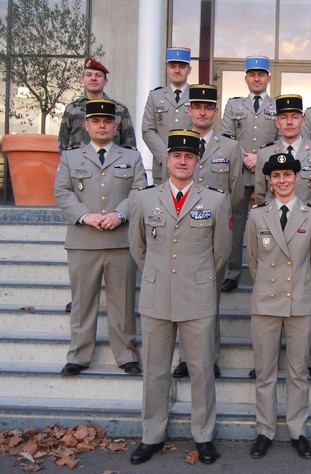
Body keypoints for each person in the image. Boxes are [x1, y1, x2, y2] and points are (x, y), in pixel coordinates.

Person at [128, 129, 232, 466]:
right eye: (177, 156)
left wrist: (197, 278)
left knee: (201, 370)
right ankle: (152, 435)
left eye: (189, 156)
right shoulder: (145, 199)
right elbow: (138, 248)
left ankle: (203, 436)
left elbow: (221, 253)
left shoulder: (215, 199)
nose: (182, 161)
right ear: (167, 159)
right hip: (158, 296)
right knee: (156, 371)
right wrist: (158, 275)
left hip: (197, 295)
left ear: (197, 161)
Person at [54, 99, 146, 377]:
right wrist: (85, 216)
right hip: (84, 240)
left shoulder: (132, 157)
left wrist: (119, 214)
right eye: (96, 121)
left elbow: (139, 191)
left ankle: (126, 353)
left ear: (116, 126)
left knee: (123, 300)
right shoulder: (71, 157)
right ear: (87, 125)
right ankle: (79, 354)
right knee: (82, 301)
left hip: (120, 240)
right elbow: (62, 192)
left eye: (108, 122)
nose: (102, 126)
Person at [246, 152, 311, 460]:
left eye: (288, 175)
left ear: (297, 178)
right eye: (276, 176)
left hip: (300, 301)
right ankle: (265, 430)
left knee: (298, 372)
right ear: (269, 179)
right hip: (266, 301)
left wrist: (300, 286)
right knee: (265, 372)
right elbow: (254, 261)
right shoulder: (257, 215)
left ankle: (297, 431)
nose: (282, 180)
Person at [255, 95, 311, 380]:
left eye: (295, 116)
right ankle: (266, 358)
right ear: (277, 122)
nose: (289, 121)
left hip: (307, 235)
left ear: (303, 120)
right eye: (284, 117)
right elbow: (262, 195)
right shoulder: (265, 153)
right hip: (273, 234)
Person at [171, 83, 244, 379]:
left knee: (208, 299)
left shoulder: (229, 147)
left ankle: (208, 357)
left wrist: (221, 216)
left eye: (208, 107)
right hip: (180, 232)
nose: (202, 112)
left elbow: (236, 191)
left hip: (213, 234)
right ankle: (185, 358)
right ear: (188, 110)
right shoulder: (176, 144)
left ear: (215, 112)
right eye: (197, 107)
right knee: (181, 298)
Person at [220, 55, 279, 293]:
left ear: (268, 78)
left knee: (270, 223)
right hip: (240, 173)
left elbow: (282, 138)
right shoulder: (234, 105)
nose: (257, 78)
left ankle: (268, 271)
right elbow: (226, 135)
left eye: (261, 74)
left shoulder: (278, 106)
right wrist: (245, 157)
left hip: (269, 175)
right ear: (245, 78)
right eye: (252, 75)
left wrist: (260, 158)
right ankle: (232, 273)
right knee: (235, 223)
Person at [58, 58, 136, 152]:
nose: (93, 78)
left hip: (110, 164)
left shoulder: (119, 110)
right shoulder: (71, 109)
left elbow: (129, 146)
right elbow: (63, 144)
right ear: (83, 79)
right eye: (88, 75)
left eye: (98, 75)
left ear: (105, 81)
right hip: (78, 165)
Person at [142, 47, 194, 183]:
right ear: (167, 68)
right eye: (173, 66)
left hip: (190, 166)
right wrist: (166, 156)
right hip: (162, 166)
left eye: (182, 66)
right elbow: (147, 130)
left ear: (189, 69)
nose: (177, 70)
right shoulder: (155, 96)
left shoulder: (196, 96)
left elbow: (202, 128)